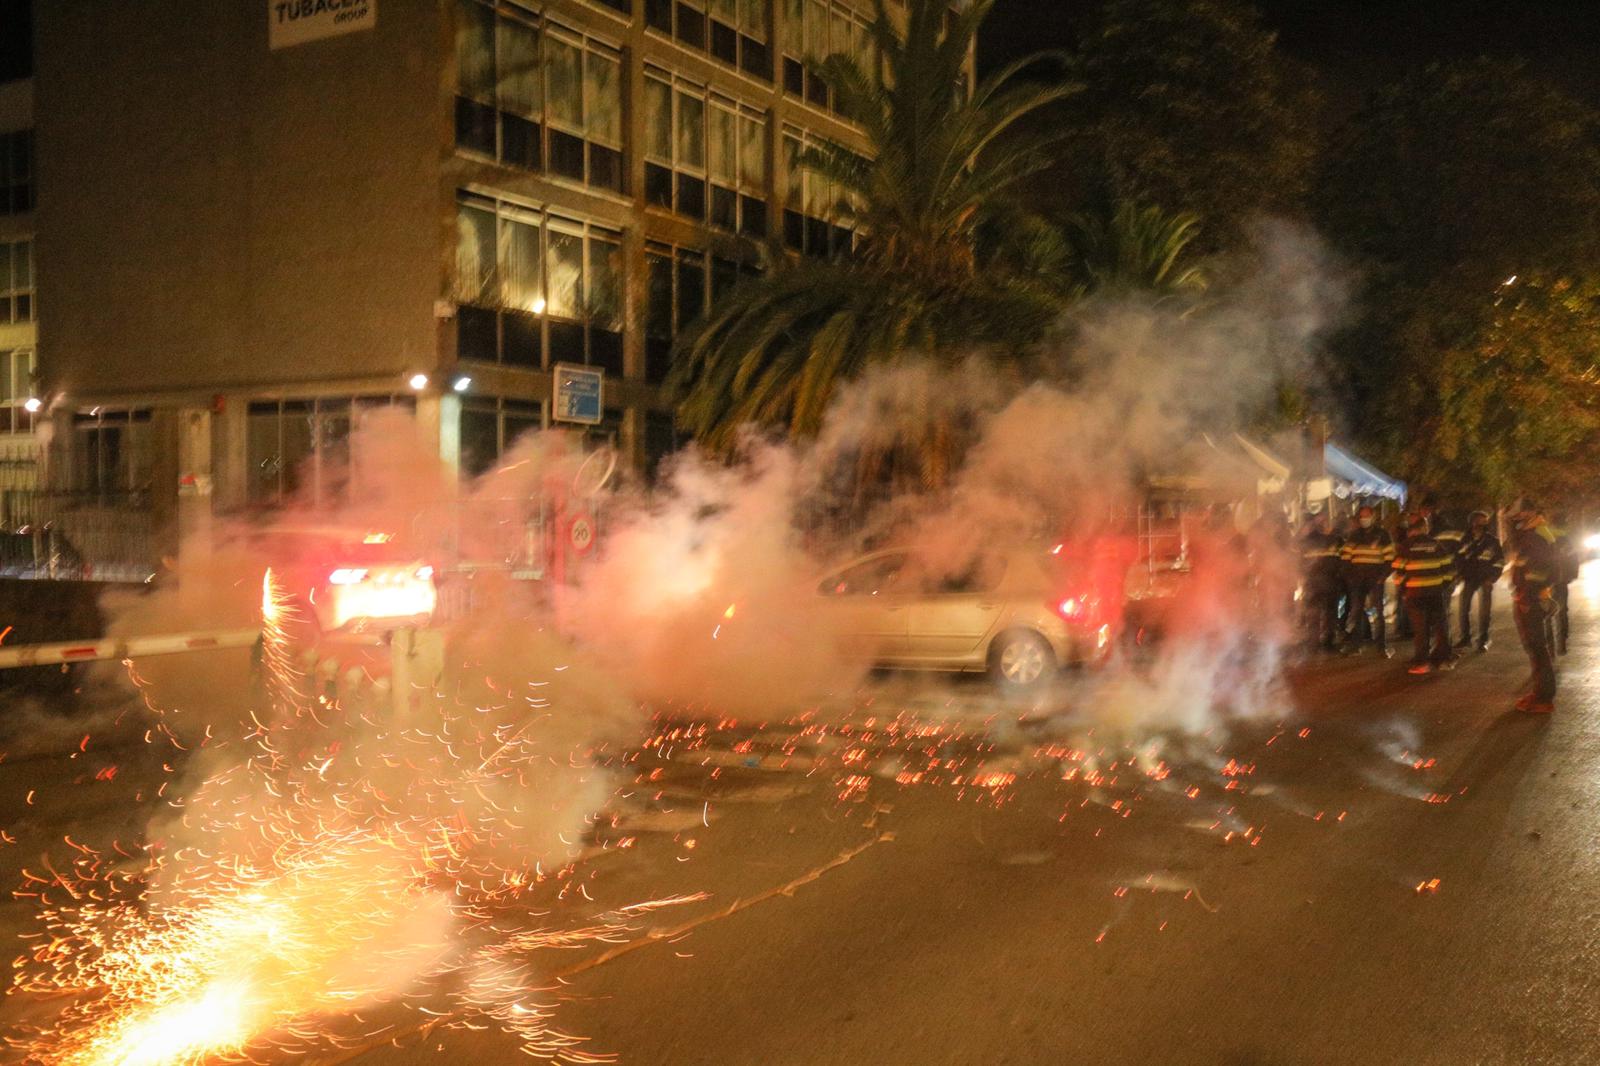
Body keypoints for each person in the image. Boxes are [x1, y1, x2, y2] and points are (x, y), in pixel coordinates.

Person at [1507, 499, 1559, 712]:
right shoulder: (1536, 533)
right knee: (1536, 648)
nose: (1515, 519)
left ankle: (1543, 698)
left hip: (1531, 598)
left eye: (1519, 515)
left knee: (1537, 647)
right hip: (1532, 596)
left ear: (1530, 512)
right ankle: (1540, 694)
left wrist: (1527, 597)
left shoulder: (1535, 536)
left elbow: (1538, 570)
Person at [1394, 510, 1457, 674]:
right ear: (1425, 528)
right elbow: (1448, 570)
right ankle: (1444, 660)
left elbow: (1398, 573)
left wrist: (1404, 590)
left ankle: (1422, 662)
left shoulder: (1405, 547)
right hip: (1435, 593)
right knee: (1441, 627)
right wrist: (1443, 586)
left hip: (1415, 594)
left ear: (1412, 529)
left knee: (1420, 629)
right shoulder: (1437, 545)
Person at [1340, 504, 1395, 655]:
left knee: (1378, 611)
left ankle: (1381, 646)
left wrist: (1381, 577)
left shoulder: (1382, 535)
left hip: (1375, 579)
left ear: (1373, 517)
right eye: (1362, 517)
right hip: (1357, 580)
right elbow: (1345, 557)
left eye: (1366, 516)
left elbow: (1390, 558)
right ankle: (1356, 645)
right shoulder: (1354, 535)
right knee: (1356, 611)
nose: (1364, 519)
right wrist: (1349, 577)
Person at [1455, 510, 1504, 652]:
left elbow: (1500, 561)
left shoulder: (1492, 541)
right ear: (1472, 522)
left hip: (1485, 579)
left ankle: (1483, 639)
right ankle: (1465, 638)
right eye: (1479, 521)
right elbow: (1459, 558)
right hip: (1469, 578)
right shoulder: (1465, 539)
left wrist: (1492, 578)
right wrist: (1460, 574)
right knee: (1463, 609)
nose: (1483, 524)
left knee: (1484, 611)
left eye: (1485, 521)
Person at [1298, 511, 1343, 651]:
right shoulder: (1309, 540)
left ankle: (1326, 640)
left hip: (1329, 581)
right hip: (1315, 582)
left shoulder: (1336, 540)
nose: (1324, 523)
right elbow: (1300, 561)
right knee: (1315, 613)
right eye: (1321, 521)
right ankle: (1315, 641)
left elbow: (1343, 561)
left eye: (1325, 521)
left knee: (1328, 612)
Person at [1431, 512, 1466, 645]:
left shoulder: (1433, 535)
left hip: (1438, 574)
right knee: (1444, 605)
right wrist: (1460, 573)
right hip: (1451, 573)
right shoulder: (1458, 534)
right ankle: (1444, 637)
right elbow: (1463, 555)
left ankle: (1443, 638)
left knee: (1441, 606)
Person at [1548, 511, 1578, 656]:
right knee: (1561, 611)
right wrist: (1571, 575)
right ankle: (1562, 643)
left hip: (1548, 581)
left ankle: (1551, 645)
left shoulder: (1544, 537)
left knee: (1547, 613)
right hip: (1560, 580)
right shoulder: (1565, 539)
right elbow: (1573, 559)